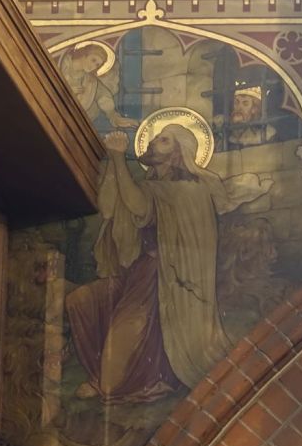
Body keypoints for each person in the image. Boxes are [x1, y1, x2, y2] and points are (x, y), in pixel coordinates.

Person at [65, 125, 232, 400]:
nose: (153, 142)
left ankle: (121, 380)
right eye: (155, 138)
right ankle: (103, 374)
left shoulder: (188, 190)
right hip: (137, 272)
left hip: (165, 279)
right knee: (79, 300)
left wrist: (118, 158)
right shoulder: (150, 186)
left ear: (178, 153)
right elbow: (108, 208)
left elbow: (139, 206)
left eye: (164, 140)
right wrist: (113, 163)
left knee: (121, 348)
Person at [60, 44, 138, 130]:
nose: (93, 66)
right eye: (93, 60)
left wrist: (115, 118)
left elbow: (104, 97)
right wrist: (65, 90)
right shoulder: (63, 64)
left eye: (97, 65)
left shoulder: (90, 81)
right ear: (84, 54)